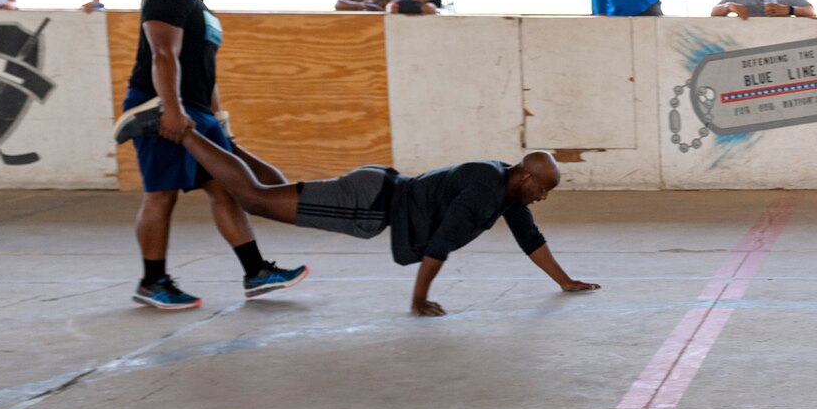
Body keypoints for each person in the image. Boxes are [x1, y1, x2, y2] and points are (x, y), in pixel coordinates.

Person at [109, 120, 597, 314]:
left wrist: (566, 280)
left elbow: (530, 238)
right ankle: (181, 132)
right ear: (527, 178)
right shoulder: (484, 189)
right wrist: (419, 300)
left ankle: (224, 145)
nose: (544, 198)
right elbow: (439, 246)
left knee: (270, 189)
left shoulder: (504, 188)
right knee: (257, 199)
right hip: (367, 203)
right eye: (546, 189)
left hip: (375, 195)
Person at [108, 0, 308, 310]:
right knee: (162, 193)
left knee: (225, 189)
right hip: (159, 107)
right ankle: (152, 282)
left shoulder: (203, 11)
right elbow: (163, 56)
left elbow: (206, 73)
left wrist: (222, 125)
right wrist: (170, 109)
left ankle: (256, 273)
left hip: (199, 112)